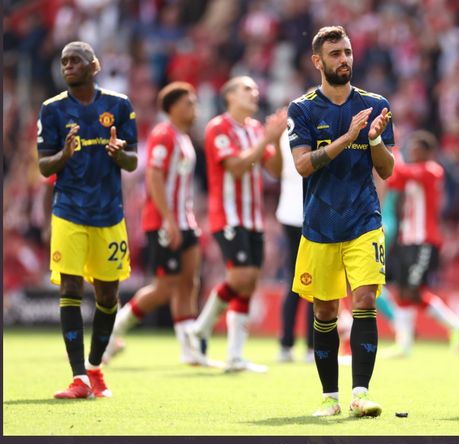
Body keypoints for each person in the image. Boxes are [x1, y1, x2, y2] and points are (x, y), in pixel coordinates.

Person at [287, 25, 394, 417]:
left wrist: (375, 140)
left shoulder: (375, 103)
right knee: (325, 312)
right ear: (318, 61)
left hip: (364, 220)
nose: (344, 59)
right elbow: (301, 166)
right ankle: (329, 398)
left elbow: (387, 171)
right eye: (335, 54)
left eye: (347, 52)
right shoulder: (302, 109)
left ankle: (361, 394)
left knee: (365, 300)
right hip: (319, 226)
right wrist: (348, 138)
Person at [37, 41, 138, 399]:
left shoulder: (119, 105)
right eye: (64, 61)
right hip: (69, 212)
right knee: (70, 289)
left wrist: (119, 153)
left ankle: (95, 367)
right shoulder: (52, 110)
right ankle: (78, 377)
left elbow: (133, 161)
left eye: (75, 61)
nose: (68, 66)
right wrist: (63, 154)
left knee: (108, 294)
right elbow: (43, 164)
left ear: (94, 66)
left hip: (109, 213)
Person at [185, 76, 287, 372]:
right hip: (228, 216)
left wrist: (276, 141)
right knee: (240, 278)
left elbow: (276, 170)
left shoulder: (255, 129)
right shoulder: (218, 127)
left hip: (253, 218)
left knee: (249, 283)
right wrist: (266, 141)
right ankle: (201, 327)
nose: (255, 93)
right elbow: (236, 167)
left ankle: (234, 355)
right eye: (247, 89)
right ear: (229, 96)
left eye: (256, 89)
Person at [103, 82, 202, 365]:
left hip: (185, 220)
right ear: (172, 108)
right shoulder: (163, 134)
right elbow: (154, 178)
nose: (193, 107)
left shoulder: (183, 137)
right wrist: (169, 221)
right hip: (163, 221)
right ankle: (112, 333)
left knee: (188, 282)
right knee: (164, 287)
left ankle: (189, 350)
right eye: (189, 103)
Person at [384, 130, 459, 357]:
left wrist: (392, 148)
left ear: (428, 151)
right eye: (410, 148)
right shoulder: (413, 171)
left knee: (413, 290)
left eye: (416, 149)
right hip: (407, 239)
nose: (412, 152)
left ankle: (456, 325)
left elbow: (400, 170)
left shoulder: (433, 170)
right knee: (403, 291)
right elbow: (393, 178)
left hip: (425, 240)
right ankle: (404, 345)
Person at [276, 128, 315, 363]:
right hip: (308, 212)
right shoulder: (315, 126)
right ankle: (312, 346)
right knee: (315, 281)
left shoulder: (286, 131)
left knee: (294, 280)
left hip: (288, 211)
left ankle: (286, 344)